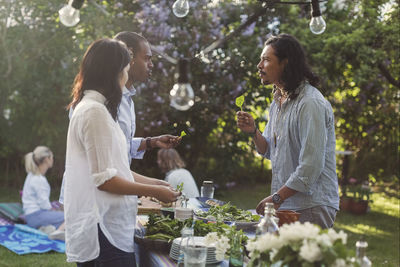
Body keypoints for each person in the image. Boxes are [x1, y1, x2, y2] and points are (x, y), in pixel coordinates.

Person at [63, 38, 180, 266]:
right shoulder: (94, 112)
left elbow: (117, 168)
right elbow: (105, 180)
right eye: (126, 70)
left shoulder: (100, 110)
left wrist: (157, 184)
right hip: (103, 230)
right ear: (115, 72)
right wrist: (153, 192)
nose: (127, 77)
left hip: (109, 226)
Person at [59, 31, 179, 204]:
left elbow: (116, 147)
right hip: (94, 203)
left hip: (107, 203)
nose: (151, 65)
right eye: (147, 58)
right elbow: (106, 176)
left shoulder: (121, 100)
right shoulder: (97, 109)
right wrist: (156, 189)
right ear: (125, 59)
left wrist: (150, 142)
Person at [236, 34, 339, 229]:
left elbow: (311, 166)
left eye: (266, 59)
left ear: (285, 63)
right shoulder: (278, 101)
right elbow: (268, 150)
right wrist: (253, 132)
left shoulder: (310, 103)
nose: (259, 65)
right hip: (287, 203)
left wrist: (276, 198)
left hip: (312, 206)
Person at [22, 146, 65, 239]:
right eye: (52, 157)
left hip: (30, 216)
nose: (53, 159)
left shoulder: (31, 175)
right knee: (69, 217)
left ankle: (47, 229)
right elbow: (44, 205)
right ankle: (57, 233)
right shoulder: (39, 179)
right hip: (36, 216)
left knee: (60, 217)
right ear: (46, 159)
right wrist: (56, 210)